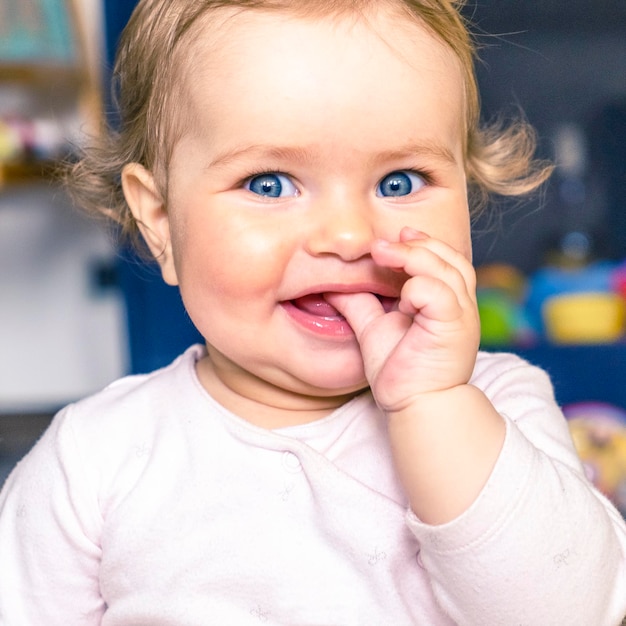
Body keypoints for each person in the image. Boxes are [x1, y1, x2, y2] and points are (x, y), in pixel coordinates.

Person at [1, 0, 625, 623]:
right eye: (270, 184)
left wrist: (432, 405)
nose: (350, 236)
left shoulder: (498, 408)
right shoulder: (94, 459)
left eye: (400, 182)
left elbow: (572, 610)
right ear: (161, 221)